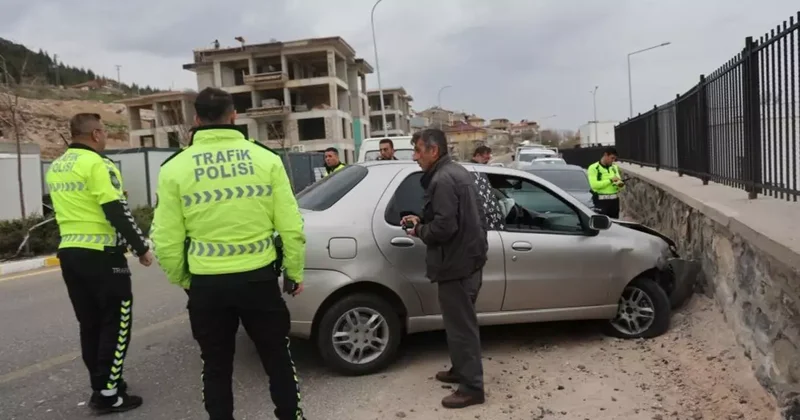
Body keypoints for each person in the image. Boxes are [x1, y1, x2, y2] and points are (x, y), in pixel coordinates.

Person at [150, 87, 307, 420]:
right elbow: (291, 226)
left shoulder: (174, 168)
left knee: (216, 366)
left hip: (207, 285)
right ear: (234, 115)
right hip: (258, 281)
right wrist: (293, 272)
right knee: (277, 359)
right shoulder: (266, 159)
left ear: (196, 119)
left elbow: (165, 238)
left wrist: (185, 279)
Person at [45, 113, 153, 414]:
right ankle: (108, 395)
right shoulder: (98, 164)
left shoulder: (57, 166)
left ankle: (103, 383)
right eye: (103, 132)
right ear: (95, 134)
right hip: (104, 256)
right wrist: (141, 247)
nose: (105, 137)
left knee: (90, 323)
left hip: (70, 254)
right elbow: (116, 209)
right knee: (117, 321)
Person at [401, 128, 488, 409]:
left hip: (456, 265)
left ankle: (472, 388)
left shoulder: (442, 179)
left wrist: (419, 230)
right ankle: (461, 370)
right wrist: (423, 220)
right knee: (458, 323)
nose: (415, 157)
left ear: (434, 151)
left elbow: (444, 227)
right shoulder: (457, 173)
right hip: (467, 260)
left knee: (462, 327)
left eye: (418, 151)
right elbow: (459, 216)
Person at [587, 146, 624, 219]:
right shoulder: (593, 168)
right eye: (612, 158)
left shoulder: (614, 168)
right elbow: (594, 185)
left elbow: (621, 186)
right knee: (602, 222)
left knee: (615, 223)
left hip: (614, 201)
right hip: (601, 201)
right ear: (605, 155)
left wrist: (620, 184)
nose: (613, 160)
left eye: (614, 159)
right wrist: (610, 180)